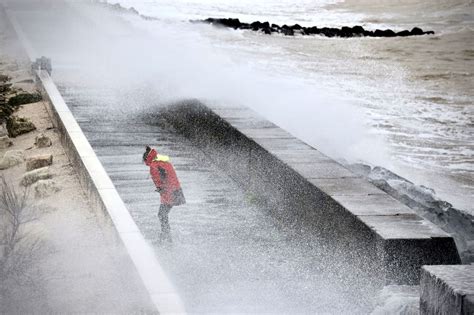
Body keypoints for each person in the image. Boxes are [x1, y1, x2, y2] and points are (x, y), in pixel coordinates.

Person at [143, 145, 186, 242]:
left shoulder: (154, 166)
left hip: (169, 193)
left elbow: (159, 180)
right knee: (163, 214)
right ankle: (166, 235)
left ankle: (166, 236)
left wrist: (160, 189)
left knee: (162, 214)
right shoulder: (164, 162)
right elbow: (168, 176)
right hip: (176, 190)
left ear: (146, 159)